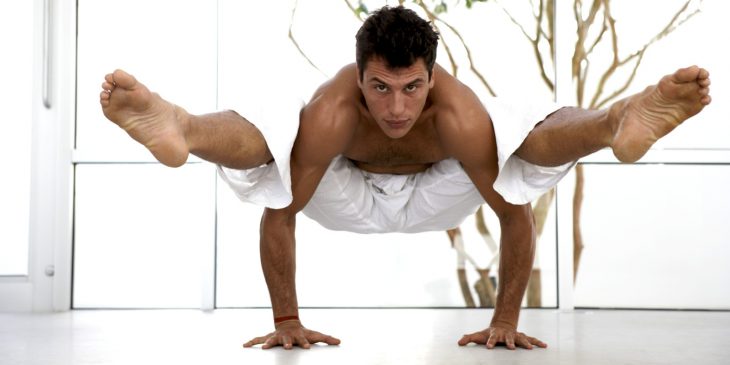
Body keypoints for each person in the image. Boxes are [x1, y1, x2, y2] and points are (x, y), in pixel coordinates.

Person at [98, 6, 711, 351]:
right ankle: (183, 124)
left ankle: (614, 120)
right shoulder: (333, 112)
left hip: (440, 191)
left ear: (432, 77)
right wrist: (288, 321)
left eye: (413, 87)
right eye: (380, 88)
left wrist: (505, 319)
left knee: (513, 136)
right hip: (344, 192)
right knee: (278, 139)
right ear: (359, 76)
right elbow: (280, 208)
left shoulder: (459, 116)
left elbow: (513, 210)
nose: (396, 109)